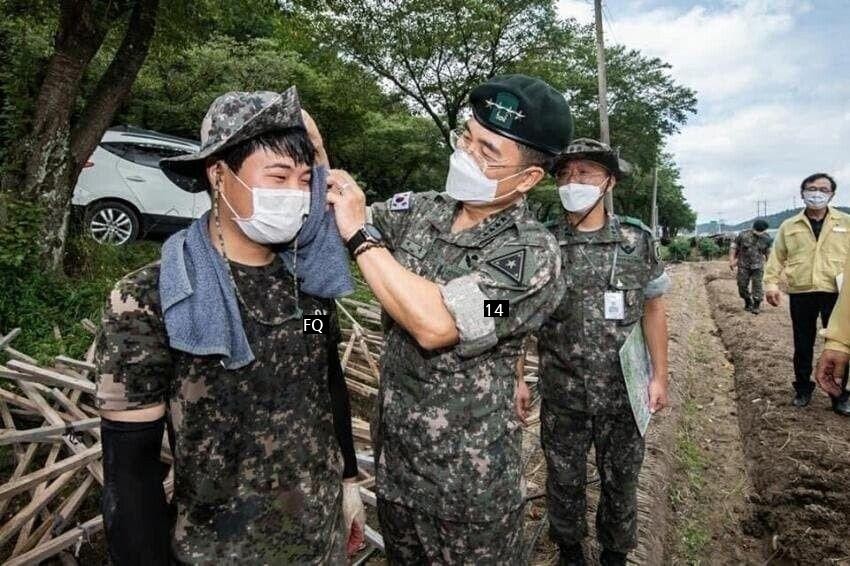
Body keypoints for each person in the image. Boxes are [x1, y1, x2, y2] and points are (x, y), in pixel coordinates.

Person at [94, 88, 365, 565]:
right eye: (277, 176)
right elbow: (130, 472)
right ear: (218, 174)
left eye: (305, 180)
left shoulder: (308, 288)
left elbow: (327, 380)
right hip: (218, 550)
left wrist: (348, 482)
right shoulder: (151, 298)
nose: (295, 194)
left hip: (320, 543)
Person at [325, 74, 571, 564]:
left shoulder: (530, 251)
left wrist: (360, 237)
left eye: (488, 152)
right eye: (467, 138)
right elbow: (334, 211)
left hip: (467, 495)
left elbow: (437, 324)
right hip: (398, 471)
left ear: (527, 179)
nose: (467, 155)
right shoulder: (421, 210)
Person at [528, 138, 670, 566]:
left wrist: (660, 376)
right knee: (563, 479)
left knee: (621, 480)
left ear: (609, 181)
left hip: (624, 391)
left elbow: (654, 309)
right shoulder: (541, 242)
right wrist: (516, 374)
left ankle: (614, 554)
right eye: (565, 174)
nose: (573, 181)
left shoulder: (636, 241)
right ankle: (570, 551)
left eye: (585, 172)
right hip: (562, 389)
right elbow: (513, 311)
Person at [764, 173, 850, 413]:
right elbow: (777, 257)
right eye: (811, 189)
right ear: (802, 193)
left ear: (832, 194)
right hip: (802, 292)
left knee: (840, 344)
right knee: (803, 343)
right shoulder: (789, 226)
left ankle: (840, 394)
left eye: (823, 189)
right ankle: (803, 389)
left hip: (838, 293)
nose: (817, 194)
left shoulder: (846, 223)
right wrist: (771, 283)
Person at [729, 218, 772, 313]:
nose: (758, 233)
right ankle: (748, 301)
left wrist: (770, 265)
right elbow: (734, 247)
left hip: (758, 266)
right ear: (753, 228)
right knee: (742, 285)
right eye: (757, 230)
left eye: (761, 231)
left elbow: (768, 252)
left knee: (757, 285)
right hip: (743, 265)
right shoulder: (743, 235)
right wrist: (732, 260)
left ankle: (756, 305)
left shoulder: (767, 239)